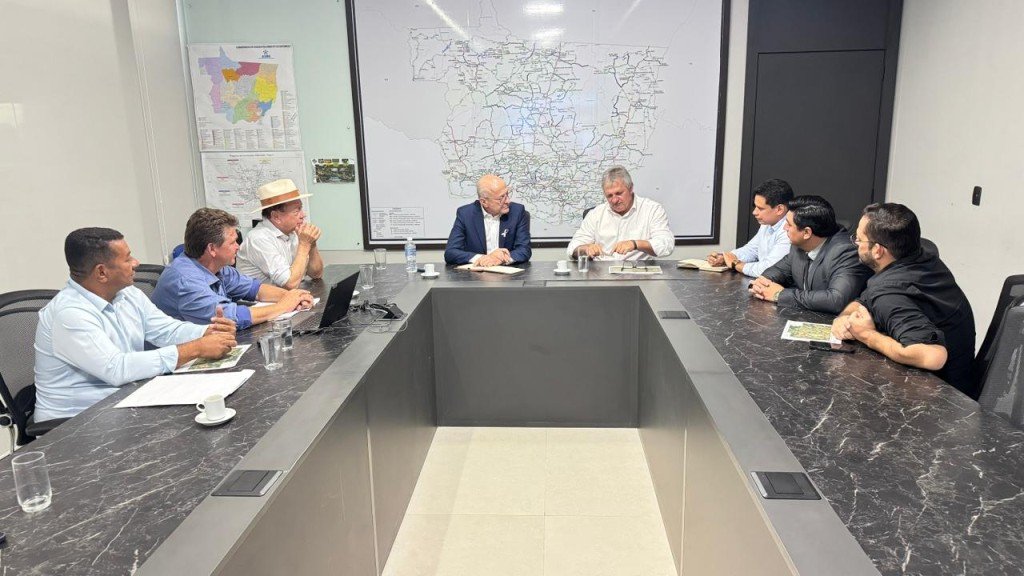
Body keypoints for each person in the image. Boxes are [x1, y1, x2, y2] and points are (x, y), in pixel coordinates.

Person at [34, 228, 237, 422]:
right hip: (76, 423)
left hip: (126, 400)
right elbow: (116, 368)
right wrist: (195, 348)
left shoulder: (127, 294)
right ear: (102, 272)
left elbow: (165, 330)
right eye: (127, 258)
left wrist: (208, 332)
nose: (136, 263)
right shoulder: (69, 313)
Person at [832, 203, 976, 396]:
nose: (856, 244)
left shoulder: (889, 294)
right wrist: (845, 317)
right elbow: (865, 299)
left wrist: (866, 334)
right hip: (961, 381)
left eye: (858, 239)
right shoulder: (923, 258)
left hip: (939, 397)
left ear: (877, 251)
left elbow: (933, 356)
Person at [152, 208, 314, 329]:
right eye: (232, 242)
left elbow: (255, 289)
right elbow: (232, 317)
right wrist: (283, 306)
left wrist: (294, 297)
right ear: (212, 249)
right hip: (177, 359)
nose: (238, 247)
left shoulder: (216, 266)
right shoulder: (186, 281)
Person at [749, 195, 871, 314]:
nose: (785, 228)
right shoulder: (798, 245)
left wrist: (779, 295)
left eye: (789, 224)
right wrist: (762, 283)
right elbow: (778, 270)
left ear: (807, 232)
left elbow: (836, 300)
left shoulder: (846, 252)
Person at [566, 166, 673, 261]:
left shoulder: (652, 210)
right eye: (609, 196)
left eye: (619, 193)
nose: (614, 200)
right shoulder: (595, 214)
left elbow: (666, 245)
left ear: (630, 188)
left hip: (638, 271)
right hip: (602, 272)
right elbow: (572, 249)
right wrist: (585, 249)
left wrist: (635, 244)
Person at [236, 178, 324, 288]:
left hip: (288, 295)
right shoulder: (259, 238)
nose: (303, 215)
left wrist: (312, 243)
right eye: (296, 211)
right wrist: (305, 244)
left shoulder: (293, 232)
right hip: (260, 299)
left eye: (301, 209)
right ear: (276, 217)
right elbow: (290, 284)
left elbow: (316, 274)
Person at [707, 179, 793, 276]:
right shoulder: (767, 224)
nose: (754, 212)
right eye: (755, 207)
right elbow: (752, 250)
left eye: (760, 208)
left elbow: (769, 269)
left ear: (779, 209)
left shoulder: (789, 231)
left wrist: (735, 264)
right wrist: (726, 257)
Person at [444, 174, 532, 266]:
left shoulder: (517, 212)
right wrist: (483, 258)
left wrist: (500, 258)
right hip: (476, 273)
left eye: (507, 194)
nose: (507, 201)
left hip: (507, 272)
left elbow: (524, 250)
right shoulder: (465, 214)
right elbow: (451, 253)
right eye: (501, 198)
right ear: (484, 202)